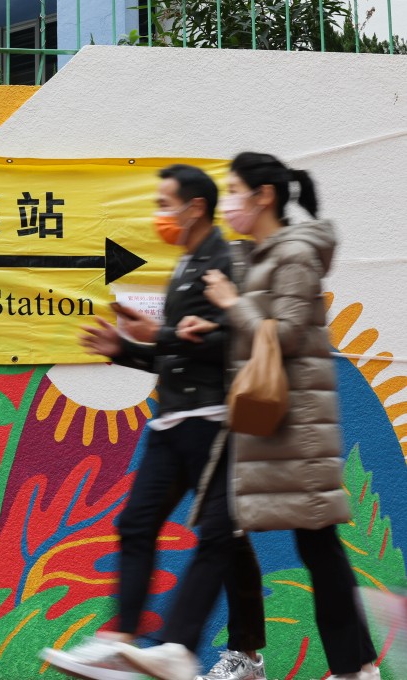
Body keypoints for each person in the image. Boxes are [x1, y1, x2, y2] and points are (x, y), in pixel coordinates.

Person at [119, 153, 380, 680]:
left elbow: (281, 334)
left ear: (263, 196)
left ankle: (350, 668)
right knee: (258, 536)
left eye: (235, 190)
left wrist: (231, 303)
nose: (229, 201)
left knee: (313, 543)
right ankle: (274, 657)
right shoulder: (253, 256)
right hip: (264, 425)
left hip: (298, 427)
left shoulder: (297, 256)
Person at [40, 165, 266, 680]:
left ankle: (183, 649)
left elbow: (230, 341)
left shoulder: (223, 262)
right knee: (140, 524)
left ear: (195, 208)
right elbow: (179, 353)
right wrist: (126, 349)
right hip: (172, 422)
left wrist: (159, 334)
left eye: (166, 203)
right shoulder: (186, 264)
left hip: (214, 421)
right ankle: (122, 637)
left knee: (217, 535)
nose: (158, 214)